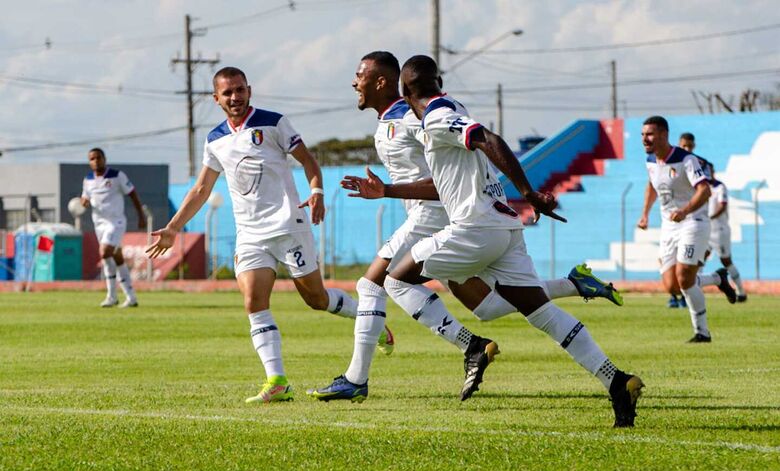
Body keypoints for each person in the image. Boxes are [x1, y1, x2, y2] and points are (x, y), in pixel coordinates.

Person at [341, 55, 642, 427]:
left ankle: (469, 346)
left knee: (393, 280)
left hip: (473, 228)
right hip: (505, 228)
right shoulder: (453, 106)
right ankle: (615, 380)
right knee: (535, 313)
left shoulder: (435, 116)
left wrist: (529, 192)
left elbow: (486, 138)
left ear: (404, 90)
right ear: (439, 81)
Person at [146, 66, 388, 404]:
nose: (235, 97)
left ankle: (369, 318)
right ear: (216, 99)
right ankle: (277, 381)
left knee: (316, 300)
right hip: (251, 235)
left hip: (289, 227)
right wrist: (173, 227)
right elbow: (201, 188)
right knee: (253, 301)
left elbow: (308, 162)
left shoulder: (273, 123)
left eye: (240, 89)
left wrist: (317, 192)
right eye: (227, 92)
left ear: (249, 90)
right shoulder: (215, 139)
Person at [637, 117, 737, 343]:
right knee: (672, 286)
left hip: (693, 222)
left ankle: (702, 332)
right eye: (643, 134)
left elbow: (704, 191)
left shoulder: (686, 160)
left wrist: (684, 210)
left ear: (663, 135)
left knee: (684, 278)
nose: (645, 139)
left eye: (649, 134)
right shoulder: (650, 160)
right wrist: (644, 214)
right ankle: (717, 279)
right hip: (668, 227)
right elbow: (652, 186)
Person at [679, 132, 747, 302]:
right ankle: (694, 293)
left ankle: (741, 291)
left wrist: (710, 215)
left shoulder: (719, 187)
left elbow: (722, 206)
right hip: (704, 228)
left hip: (719, 229)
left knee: (726, 261)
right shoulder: (694, 185)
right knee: (698, 261)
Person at [80, 148, 145, 308]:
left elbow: (132, 194)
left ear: (104, 159)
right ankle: (129, 297)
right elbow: (85, 197)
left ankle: (111, 295)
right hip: (99, 224)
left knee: (104, 252)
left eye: (98, 158)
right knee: (113, 257)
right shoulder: (88, 179)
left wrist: (141, 215)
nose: (95, 161)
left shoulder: (117, 176)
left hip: (116, 223)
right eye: (92, 159)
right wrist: (83, 201)